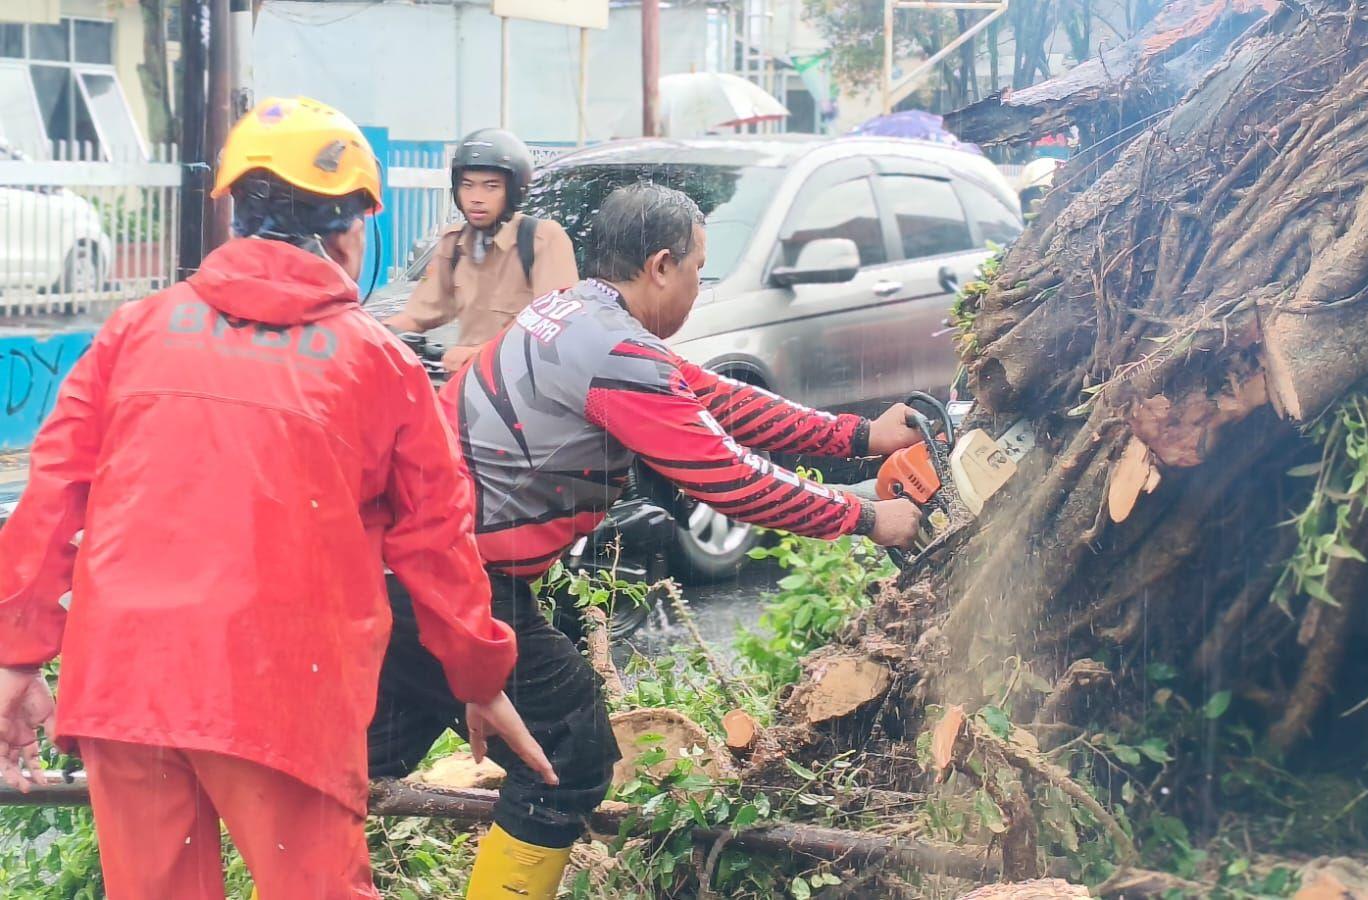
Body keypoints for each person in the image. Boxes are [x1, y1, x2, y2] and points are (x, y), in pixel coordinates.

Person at [0, 97, 554, 900]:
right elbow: (437, 539)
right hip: (283, 690)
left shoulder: (134, 330)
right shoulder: (380, 365)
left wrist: (16, 658)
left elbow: (52, 495)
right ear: (350, 232)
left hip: (127, 683)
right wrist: (477, 673)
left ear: (234, 215)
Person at [369, 182, 925, 900]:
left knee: (362, 763)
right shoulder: (615, 352)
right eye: (698, 268)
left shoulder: (570, 313)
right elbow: (726, 476)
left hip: (402, 565)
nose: (698, 285)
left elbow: (710, 398)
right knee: (567, 757)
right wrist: (867, 517)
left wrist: (859, 435)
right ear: (662, 266)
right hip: (453, 579)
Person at [384, 128, 579, 372]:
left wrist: (480, 354)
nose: (476, 198)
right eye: (467, 186)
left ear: (514, 190)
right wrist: (373, 334)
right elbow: (419, 314)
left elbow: (553, 327)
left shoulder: (541, 239)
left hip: (525, 385)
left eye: (491, 186)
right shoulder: (455, 243)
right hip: (465, 382)